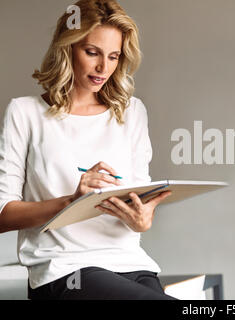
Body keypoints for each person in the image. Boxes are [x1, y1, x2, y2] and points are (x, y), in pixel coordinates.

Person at [0, 0, 176, 300]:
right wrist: (73, 201)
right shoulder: (25, 112)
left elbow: (136, 197)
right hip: (64, 269)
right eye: (92, 52)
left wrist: (142, 219)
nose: (103, 67)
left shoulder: (131, 112)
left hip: (130, 261)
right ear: (66, 48)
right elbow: (3, 214)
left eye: (113, 56)